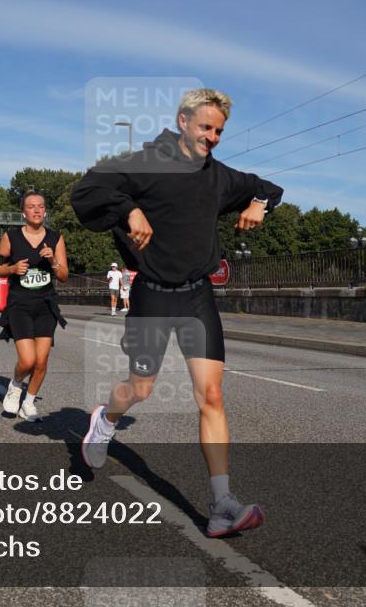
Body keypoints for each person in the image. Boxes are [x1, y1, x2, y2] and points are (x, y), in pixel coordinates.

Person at [71, 88, 283, 538]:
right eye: (206, 127)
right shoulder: (146, 164)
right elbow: (87, 190)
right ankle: (105, 419)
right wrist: (129, 209)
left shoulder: (217, 176)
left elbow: (265, 187)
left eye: (220, 131)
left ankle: (222, 503)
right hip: (153, 294)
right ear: (183, 121)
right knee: (140, 390)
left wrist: (259, 204)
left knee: (211, 396)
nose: (213, 137)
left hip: (197, 296)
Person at [0, 192, 68, 422]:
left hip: (45, 305)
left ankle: (28, 402)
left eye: (41, 206)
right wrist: (12, 269)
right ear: (23, 212)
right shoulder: (11, 236)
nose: (36, 210)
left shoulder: (55, 238)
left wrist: (53, 261)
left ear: (45, 210)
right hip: (20, 305)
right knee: (27, 361)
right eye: (31, 207)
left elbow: (64, 275)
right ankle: (15, 386)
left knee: (41, 361)